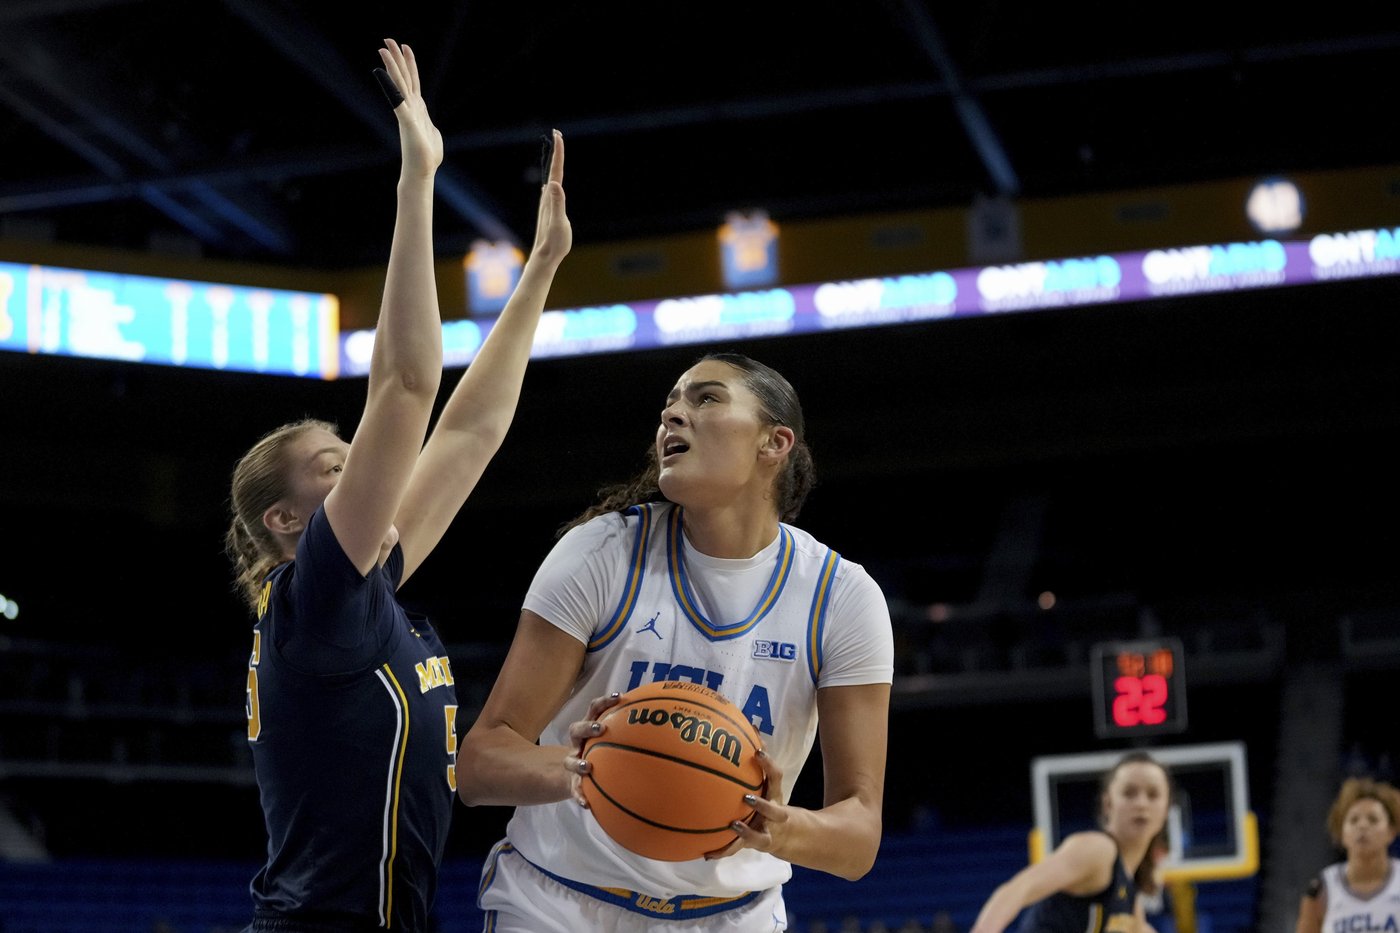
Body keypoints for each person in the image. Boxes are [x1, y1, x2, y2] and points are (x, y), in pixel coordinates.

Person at [224, 38, 572, 932]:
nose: (364, 476)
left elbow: (468, 431)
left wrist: (539, 270)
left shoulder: (364, 591)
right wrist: (418, 178)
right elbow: (409, 391)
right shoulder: (319, 600)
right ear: (285, 519)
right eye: (335, 469)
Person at [457, 352, 895, 931]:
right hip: (559, 903)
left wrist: (781, 827)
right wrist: (579, 766)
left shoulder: (840, 597)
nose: (673, 415)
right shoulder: (602, 552)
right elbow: (480, 763)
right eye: (670, 403)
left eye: (705, 398)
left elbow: (859, 837)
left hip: (731, 915)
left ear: (775, 442)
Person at [969, 751, 1172, 933]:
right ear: (1108, 804)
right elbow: (1020, 888)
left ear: (1166, 809)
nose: (1141, 803)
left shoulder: (1128, 895)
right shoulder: (1098, 850)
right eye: (1129, 793)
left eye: (1153, 795)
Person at [1295, 777, 1400, 933]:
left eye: (1373, 820)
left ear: (1391, 831)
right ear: (1342, 833)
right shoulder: (1321, 890)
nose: (1362, 826)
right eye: (1353, 820)